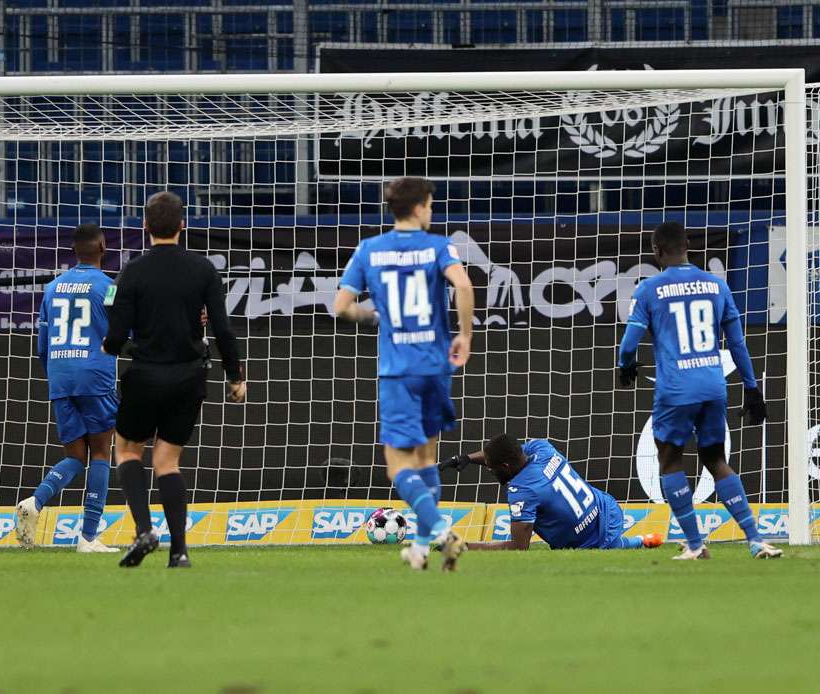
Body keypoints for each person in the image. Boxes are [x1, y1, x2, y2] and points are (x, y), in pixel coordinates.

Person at [333, 176, 475, 572]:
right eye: (430, 205)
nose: (432, 211)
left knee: (398, 466)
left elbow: (341, 305)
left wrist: (373, 316)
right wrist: (464, 335)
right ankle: (421, 549)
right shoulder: (437, 246)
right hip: (433, 366)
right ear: (417, 208)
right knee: (427, 456)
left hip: (397, 370)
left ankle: (442, 532)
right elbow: (462, 284)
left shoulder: (369, 250)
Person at [617, 221, 779, 560]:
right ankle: (755, 540)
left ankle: (695, 544)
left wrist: (626, 365)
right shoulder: (716, 285)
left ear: (657, 251)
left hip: (676, 390)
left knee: (670, 458)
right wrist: (752, 388)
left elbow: (629, 343)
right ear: (687, 245)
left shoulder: (650, 289)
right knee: (716, 460)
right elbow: (737, 342)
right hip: (712, 385)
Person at [103, 192, 245, 568]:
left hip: (146, 374)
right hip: (189, 376)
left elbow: (116, 335)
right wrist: (235, 375)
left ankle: (145, 530)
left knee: (129, 449)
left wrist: (115, 346)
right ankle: (179, 551)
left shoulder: (131, 271)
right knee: (168, 460)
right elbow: (222, 328)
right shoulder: (203, 270)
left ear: (145, 226)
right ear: (183, 225)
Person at [14, 224, 119, 553]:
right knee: (101, 452)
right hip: (95, 375)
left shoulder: (51, 288)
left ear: (75, 250)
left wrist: (58, 375)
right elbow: (122, 331)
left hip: (60, 376)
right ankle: (88, 536)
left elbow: (41, 347)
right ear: (103, 246)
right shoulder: (109, 287)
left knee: (75, 456)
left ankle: (35, 500)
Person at [441, 436, 665, 551]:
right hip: (606, 508)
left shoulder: (521, 490)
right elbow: (512, 453)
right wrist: (469, 458)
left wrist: (463, 545)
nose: (488, 470)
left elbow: (519, 547)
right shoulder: (542, 448)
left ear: (506, 466)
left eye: (491, 467)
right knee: (615, 544)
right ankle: (645, 540)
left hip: (588, 541)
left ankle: (639, 541)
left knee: (612, 548)